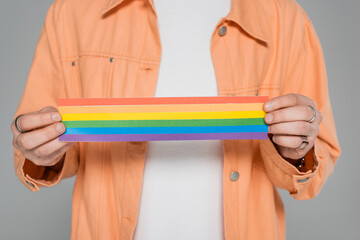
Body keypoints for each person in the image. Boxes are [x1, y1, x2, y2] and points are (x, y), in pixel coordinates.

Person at [11, 0, 341, 239]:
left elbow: (316, 167)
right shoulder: (71, 12)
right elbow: (35, 150)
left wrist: (297, 149)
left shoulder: (287, 19)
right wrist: (40, 150)